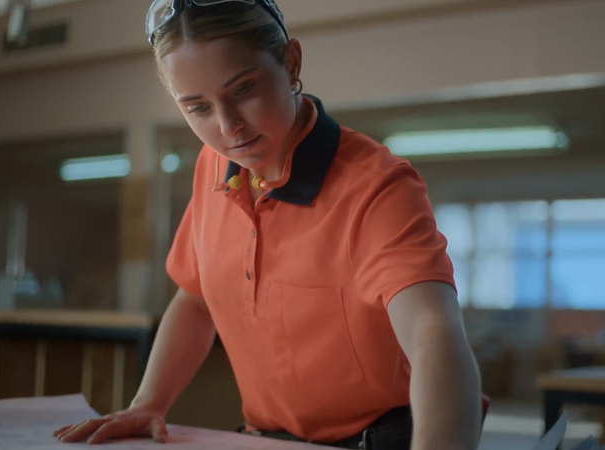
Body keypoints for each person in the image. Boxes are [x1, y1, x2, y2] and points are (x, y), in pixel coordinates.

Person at [53, 1, 482, 449]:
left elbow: (433, 333)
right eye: (198, 108)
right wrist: (148, 403)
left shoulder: (376, 187)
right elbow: (196, 301)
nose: (228, 127)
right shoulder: (213, 167)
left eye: (244, 90)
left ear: (291, 62)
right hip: (266, 438)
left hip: (377, 439)